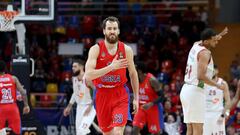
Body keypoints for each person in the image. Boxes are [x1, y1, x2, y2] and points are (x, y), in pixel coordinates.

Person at [85, 16, 139, 135]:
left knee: (118, 131)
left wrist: (136, 98)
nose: (112, 31)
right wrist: (111, 67)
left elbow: (133, 74)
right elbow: (88, 75)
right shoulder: (96, 50)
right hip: (102, 94)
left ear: (118, 31)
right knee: (107, 133)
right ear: (104, 31)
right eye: (109, 28)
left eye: (115, 28)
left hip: (120, 94)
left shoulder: (126, 50)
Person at [180, 27, 228, 135]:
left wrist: (219, 35)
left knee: (190, 129)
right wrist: (217, 85)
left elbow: (204, 40)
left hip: (186, 89)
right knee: (198, 129)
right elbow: (201, 76)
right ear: (206, 41)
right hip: (195, 91)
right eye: (214, 39)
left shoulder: (195, 45)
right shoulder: (205, 53)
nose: (216, 41)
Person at [63, 59, 97, 135]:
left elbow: (97, 92)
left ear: (81, 67)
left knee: (82, 130)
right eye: (72, 66)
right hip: (79, 107)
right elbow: (75, 93)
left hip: (90, 107)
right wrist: (69, 107)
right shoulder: (74, 79)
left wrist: (90, 107)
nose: (73, 68)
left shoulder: (87, 78)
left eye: (75, 66)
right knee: (79, 133)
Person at [132, 62, 164, 135]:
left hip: (153, 108)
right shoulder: (134, 79)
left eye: (134, 68)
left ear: (139, 71)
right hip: (141, 108)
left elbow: (162, 96)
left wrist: (151, 103)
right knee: (134, 130)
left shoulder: (152, 80)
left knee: (155, 133)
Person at [0, 60, 30, 135]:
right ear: (5, 68)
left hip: (1, 108)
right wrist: (26, 105)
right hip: (12, 107)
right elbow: (23, 92)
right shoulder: (13, 78)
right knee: (17, 132)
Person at [203, 65, 231, 135]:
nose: (211, 72)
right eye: (209, 70)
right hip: (205, 114)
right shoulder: (203, 83)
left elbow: (228, 101)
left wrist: (224, 114)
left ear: (217, 71)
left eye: (213, 70)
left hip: (218, 114)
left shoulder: (223, 83)